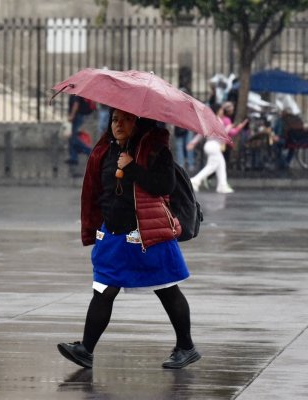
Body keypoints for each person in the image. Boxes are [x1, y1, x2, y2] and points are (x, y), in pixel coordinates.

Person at [57, 108, 201, 371]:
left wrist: (132, 168)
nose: (118, 124)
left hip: (148, 233)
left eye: (126, 119)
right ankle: (85, 350)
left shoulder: (157, 150)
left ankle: (186, 347)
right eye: (114, 119)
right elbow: (99, 191)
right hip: (113, 235)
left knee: (167, 289)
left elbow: (165, 186)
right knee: (103, 291)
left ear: (139, 123)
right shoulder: (106, 151)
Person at [187, 102, 247, 194]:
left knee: (221, 165)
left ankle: (222, 185)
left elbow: (202, 133)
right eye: (221, 109)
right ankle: (195, 180)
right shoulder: (217, 120)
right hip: (214, 145)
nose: (223, 111)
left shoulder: (211, 120)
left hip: (212, 145)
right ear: (218, 111)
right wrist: (229, 128)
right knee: (211, 166)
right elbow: (221, 133)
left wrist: (193, 142)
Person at [65, 94, 94, 165]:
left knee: (74, 138)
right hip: (78, 116)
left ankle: (90, 152)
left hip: (77, 117)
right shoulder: (76, 92)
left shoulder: (76, 92)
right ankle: (73, 157)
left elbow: (76, 104)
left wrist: (72, 116)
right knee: (72, 138)